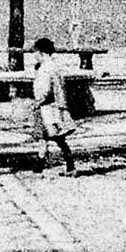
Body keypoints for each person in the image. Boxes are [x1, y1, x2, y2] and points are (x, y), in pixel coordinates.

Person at [31, 36, 78, 176]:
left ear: (41, 52)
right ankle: (41, 163)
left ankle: (69, 165)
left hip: (47, 107)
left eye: (36, 52)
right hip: (54, 106)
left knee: (54, 136)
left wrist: (37, 102)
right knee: (45, 136)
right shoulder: (55, 66)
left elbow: (46, 90)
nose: (34, 56)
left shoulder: (46, 68)